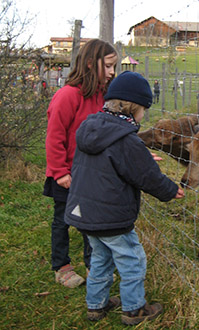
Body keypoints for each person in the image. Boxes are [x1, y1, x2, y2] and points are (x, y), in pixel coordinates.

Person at [64, 71, 185, 325]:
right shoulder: (126, 139)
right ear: (135, 108)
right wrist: (170, 190)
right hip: (112, 217)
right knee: (132, 259)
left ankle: (96, 305)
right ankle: (134, 309)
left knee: (100, 259)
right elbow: (145, 175)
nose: (144, 115)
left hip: (84, 212)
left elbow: (110, 162)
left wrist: (139, 156)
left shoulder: (90, 128)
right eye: (144, 109)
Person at [43, 39, 118, 288]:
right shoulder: (68, 96)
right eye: (107, 66)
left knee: (91, 221)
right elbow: (54, 137)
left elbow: (110, 134)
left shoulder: (104, 98)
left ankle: (92, 264)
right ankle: (61, 266)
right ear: (89, 63)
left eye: (113, 66)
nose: (112, 72)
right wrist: (60, 172)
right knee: (63, 219)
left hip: (91, 174)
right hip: (66, 174)